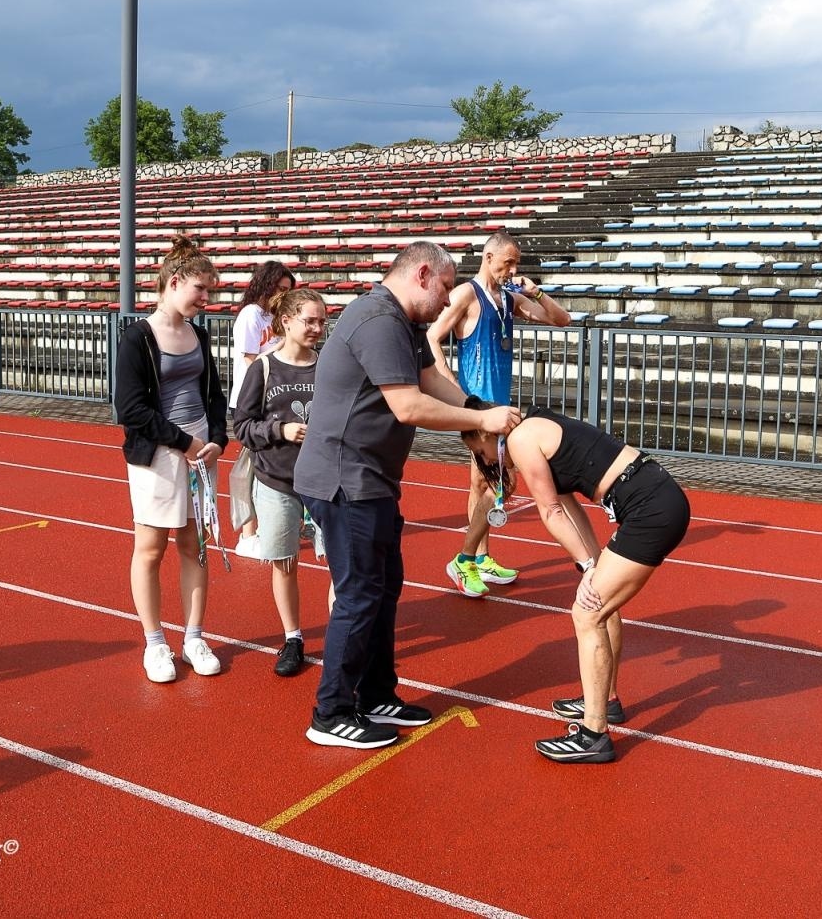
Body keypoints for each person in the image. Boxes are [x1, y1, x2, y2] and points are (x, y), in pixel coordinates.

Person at [294, 241, 521, 749]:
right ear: (422, 275)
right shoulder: (377, 320)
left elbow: (428, 380)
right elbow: (409, 405)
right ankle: (330, 712)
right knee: (359, 595)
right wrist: (482, 419)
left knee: (383, 587)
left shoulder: (404, 322)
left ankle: (375, 694)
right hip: (343, 479)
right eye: (444, 288)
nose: (448, 301)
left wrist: (475, 405)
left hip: (369, 478)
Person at [461, 403, 691, 764]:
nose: (483, 460)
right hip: (654, 496)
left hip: (650, 507)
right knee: (601, 602)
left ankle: (594, 734)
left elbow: (550, 511)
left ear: (487, 433)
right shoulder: (537, 425)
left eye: (479, 451)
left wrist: (587, 567)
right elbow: (572, 509)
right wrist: (591, 563)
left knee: (587, 613)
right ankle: (607, 701)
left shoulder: (521, 440)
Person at [426, 229, 570, 597]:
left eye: (516, 263)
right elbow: (431, 337)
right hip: (478, 411)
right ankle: (465, 560)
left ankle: (480, 558)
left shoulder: (509, 299)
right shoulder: (465, 295)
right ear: (488, 258)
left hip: (500, 408)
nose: (512, 269)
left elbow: (561, 319)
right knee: (495, 482)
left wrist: (535, 291)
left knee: (489, 483)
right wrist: (452, 387)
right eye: (508, 262)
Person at [115, 235, 228, 683]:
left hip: (200, 453)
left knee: (194, 546)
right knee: (150, 548)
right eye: (201, 289)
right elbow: (131, 409)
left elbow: (214, 395)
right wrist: (184, 442)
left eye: (210, 292)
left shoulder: (198, 334)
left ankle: (194, 636)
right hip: (159, 456)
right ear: (174, 281)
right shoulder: (137, 338)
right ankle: (156, 643)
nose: (207, 299)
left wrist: (217, 438)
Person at [231, 288, 329, 678]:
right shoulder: (264, 368)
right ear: (286, 322)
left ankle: (341, 637)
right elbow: (242, 426)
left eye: (323, 320)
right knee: (285, 561)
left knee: (339, 562)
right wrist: (281, 430)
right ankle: (293, 638)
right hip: (277, 480)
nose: (318, 328)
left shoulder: (329, 365)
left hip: (324, 481)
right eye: (310, 320)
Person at [229, 261, 298, 558]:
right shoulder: (250, 315)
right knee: (251, 468)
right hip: (251, 399)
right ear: (266, 285)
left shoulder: (275, 317)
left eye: (288, 290)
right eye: (280, 288)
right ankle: (247, 534)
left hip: (273, 399)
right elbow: (250, 359)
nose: (283, 294)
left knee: (268, 467)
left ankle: (266, 526)